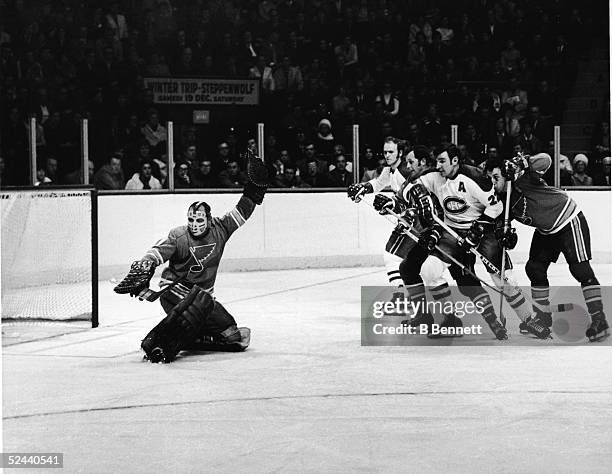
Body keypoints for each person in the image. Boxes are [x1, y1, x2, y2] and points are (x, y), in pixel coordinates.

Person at [113, 157, 268, 362]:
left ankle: (191, 335)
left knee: (233, 336)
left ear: (210, 220)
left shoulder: (221, 228)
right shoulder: (179, 236)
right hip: (173, 291)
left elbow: (242, 212)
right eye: (191, 220)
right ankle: (157, 343)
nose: (194, 224)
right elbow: (156, 252)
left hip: (203, 297)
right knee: (198, 302)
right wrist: (146, 265)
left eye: (200, 220)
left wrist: (253, 192)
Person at [486, 154, 609, 342]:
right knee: (534, 268)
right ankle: (543, 316)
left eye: (496, 177)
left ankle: (600, 320)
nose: (493, 183)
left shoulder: (522, 178)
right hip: (546, 230)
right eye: (490, 179)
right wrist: (505, 236)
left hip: (568, 219)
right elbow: (503, 229)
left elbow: (546, 160)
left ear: (506, 174)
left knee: (581, 270)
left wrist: (523, 163)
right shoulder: (502, 200)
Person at [347, 138, 418, 291]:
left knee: (391, 256)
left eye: (391, 152)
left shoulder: (405, 172)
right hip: (409, 221)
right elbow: (378, 183)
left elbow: (419, 198)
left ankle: (400, 298)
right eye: (385, 152)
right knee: (414, 264)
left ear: (400, 153)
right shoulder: (389, 169)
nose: (387, 155)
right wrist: (363, 187)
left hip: (414, 222)